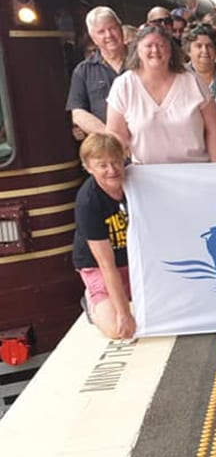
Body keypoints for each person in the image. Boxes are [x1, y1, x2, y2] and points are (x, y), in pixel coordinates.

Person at [106, 24, 216, 164]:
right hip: (145, 172)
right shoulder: (124, 85)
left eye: (161, 45)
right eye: (148, 46)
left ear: (170, 49)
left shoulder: (192, 80)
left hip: (194, 169)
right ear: (137, 50)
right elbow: (116, 135)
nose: (155, 50)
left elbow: (214, 127)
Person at [73, 133, 134, 340]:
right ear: (88, 167)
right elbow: (106, 264)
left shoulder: (136, 182)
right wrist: (124, 314)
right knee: (118, 329)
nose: (112, 170)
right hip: (101, 265)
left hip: (134, 261)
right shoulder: (88, 202)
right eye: (102, 165)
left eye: (116, 161)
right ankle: (92, 303)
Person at [67, 6, 127, 136]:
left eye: (112, 28)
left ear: (121, 28)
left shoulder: (142, 61)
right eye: (101, 32)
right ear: (93, 38)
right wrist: (113, 138)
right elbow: (78, 113)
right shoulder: (83, 71)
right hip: (109, 146)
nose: (109, 35)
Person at [183, 24, 216, 97]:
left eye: (209, 46)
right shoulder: (180, 76)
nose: (205, 50)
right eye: (199, 46)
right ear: (188, 51)